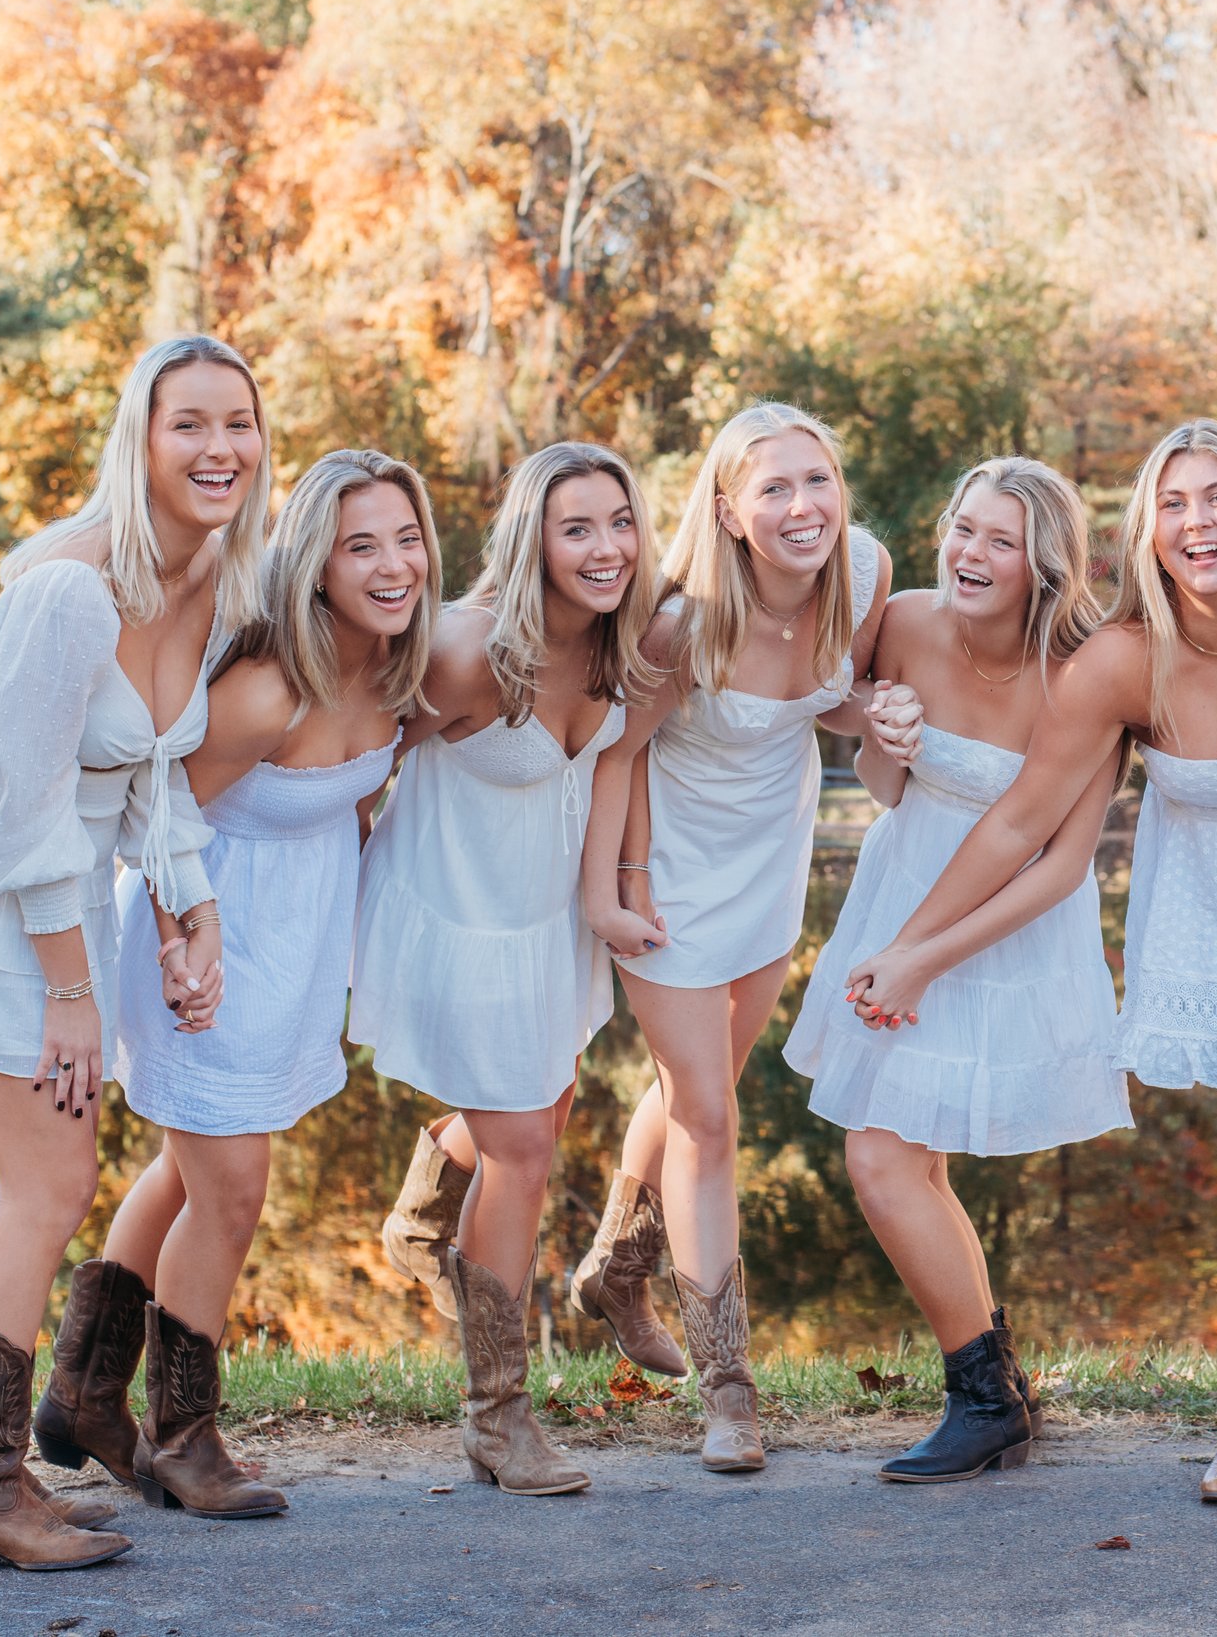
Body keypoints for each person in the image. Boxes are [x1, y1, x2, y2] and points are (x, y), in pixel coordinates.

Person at [848, 418, 1217, 1504]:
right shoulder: (1125, 660)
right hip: (1206, 919)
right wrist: (911, 948)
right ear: (1147, 529)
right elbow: (1019, 819)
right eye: (1173, 503)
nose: (1197, 522)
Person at [0, 333, 270, 1570]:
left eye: (238, 423)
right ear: (140, 438)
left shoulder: (210, 579)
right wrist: (73, 989)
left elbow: (150, 773)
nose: (219, 448)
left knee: (57, 1177)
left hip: (62, 891)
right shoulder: (67, 591)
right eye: (189, 423)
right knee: (45, 1180)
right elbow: (23, 806)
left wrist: (193, 908)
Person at [35, 451, 438, 1521]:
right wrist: (184, 949)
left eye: (407, 540)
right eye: (361, 545)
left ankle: (82, 1396)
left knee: (185, 1171)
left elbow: (353, 805)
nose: (392, 565)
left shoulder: (395, 674)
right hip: (206, 945)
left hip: (296, 954)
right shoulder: (267, 691)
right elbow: (161, 816)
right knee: (231, 1188)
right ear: (315, 566)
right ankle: (182, 1437)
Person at [784, 457, 1131, 1482]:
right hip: (901, 893)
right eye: (962, 528)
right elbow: (880, 777)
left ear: (1044, 564)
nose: (969, 553)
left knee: (883, 1162)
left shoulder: (1086, 671)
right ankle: (998, 1393)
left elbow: (1061, 863)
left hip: (1006, 932)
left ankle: (982, 1399)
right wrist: (880, 732)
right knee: (911, 1163)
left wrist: (922, 959)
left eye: (1000, 540)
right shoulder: (903, 622)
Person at [580, 403, 890, 1473]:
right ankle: (728, 1390)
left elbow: (829, 702)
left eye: (818, 479)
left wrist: (878, 713)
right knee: (708, 1118)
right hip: (669, 868)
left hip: (769, 862)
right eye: (774, 488)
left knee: (699, 1089)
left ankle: (615, 1267)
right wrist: (613, 889)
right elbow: (616, 753)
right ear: (726, 510)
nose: (803, 506)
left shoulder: (865, 571)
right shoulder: (681, 624)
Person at [358, 442, 661, 1496]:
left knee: (544, 1112)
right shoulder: (463, 651)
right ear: (531, 538)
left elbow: (617, 760)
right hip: (455, 918)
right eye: (576, 527)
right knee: (525, 1147)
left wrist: (611, 892)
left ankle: (421, 1217)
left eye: (618, 521)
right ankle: (498, 1416)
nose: (606, 547)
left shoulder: (619, 641)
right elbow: (358, 761)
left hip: (547, 924)